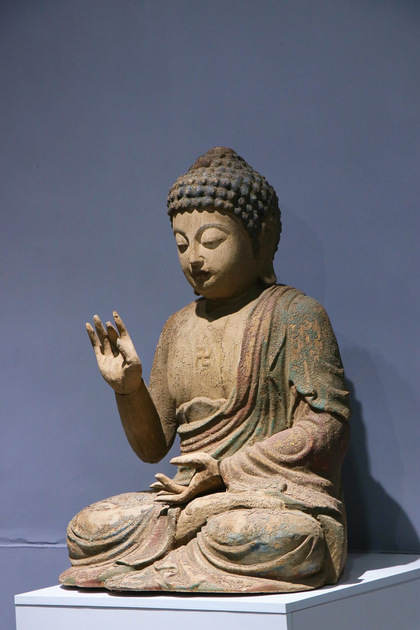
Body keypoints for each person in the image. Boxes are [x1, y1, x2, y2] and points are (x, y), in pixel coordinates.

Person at [59, 147, 350, 593]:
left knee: (281, 538)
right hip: (184, 499)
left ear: (262, 239)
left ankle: (176, 552)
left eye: (211, 241)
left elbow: (328, 430)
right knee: (86, 530)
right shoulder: (177, 327)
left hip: (267, 498)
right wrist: (128, 390)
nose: (194, 258)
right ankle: (186, 547)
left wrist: (227, 470)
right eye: (182, 244)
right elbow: (153, 448)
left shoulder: (296, 315)